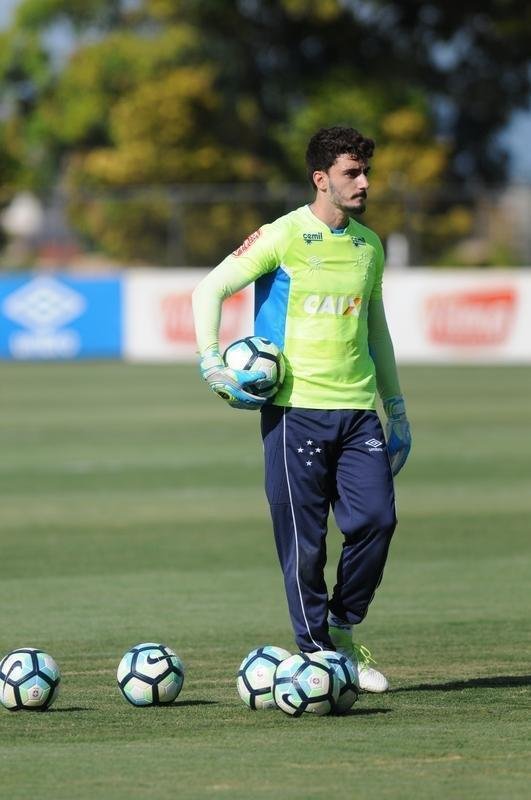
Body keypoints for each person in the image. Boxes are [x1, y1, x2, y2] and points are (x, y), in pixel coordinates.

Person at [192, 126, 411, 693]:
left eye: (365, 171)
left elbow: (377, 329)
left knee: (377, 522)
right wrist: (212, 364)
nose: (363, 182)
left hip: (359, 409)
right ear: (322, 180)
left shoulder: (369, 245)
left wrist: (396, 406)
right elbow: (209, 289)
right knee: (305, 544)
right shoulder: (282, 236)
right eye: (351, 173)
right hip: (295, 411)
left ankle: (341, 626)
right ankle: (317, 654)